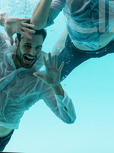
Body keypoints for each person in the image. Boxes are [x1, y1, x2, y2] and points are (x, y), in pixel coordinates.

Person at [0, 16, 76, 152]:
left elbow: (69, 118)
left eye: (37, 47)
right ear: (17, 41)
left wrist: (56, 85)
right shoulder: (3, 46)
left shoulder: (41, 80)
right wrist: (3, 20)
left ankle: (69, 28)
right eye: (28, 46)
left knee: (59, 55)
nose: (32, 53)